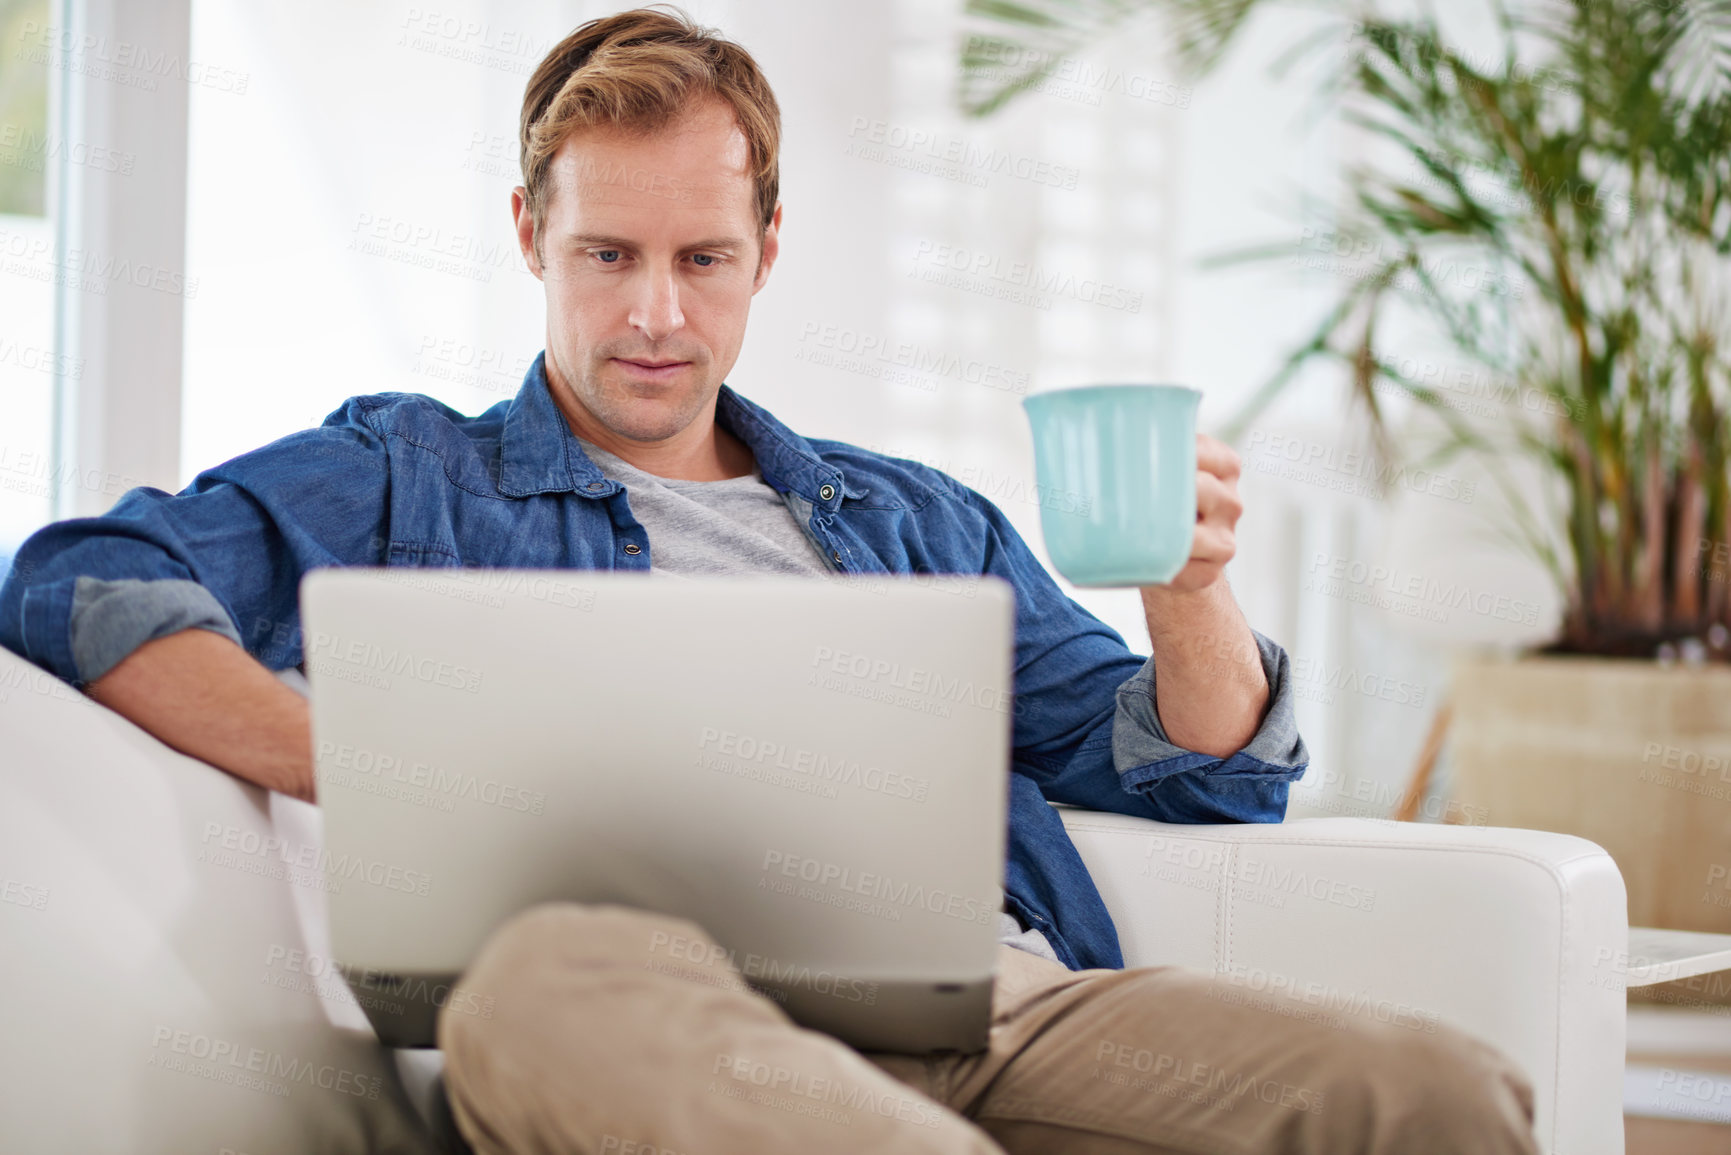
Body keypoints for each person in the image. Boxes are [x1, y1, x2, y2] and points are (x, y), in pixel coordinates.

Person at [0, 8, 1537, 1154]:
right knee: (535, 980)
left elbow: (1200, 774)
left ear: (768, 247)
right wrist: (375, 768)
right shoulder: (411, 471)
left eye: (703, 259)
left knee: (1439, 1095)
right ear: (529, 233)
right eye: (606, 256)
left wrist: (1188, 586)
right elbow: (86, 579)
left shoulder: (910, 522)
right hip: (615, 1013)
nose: (655, 314)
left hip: (979, 1006)